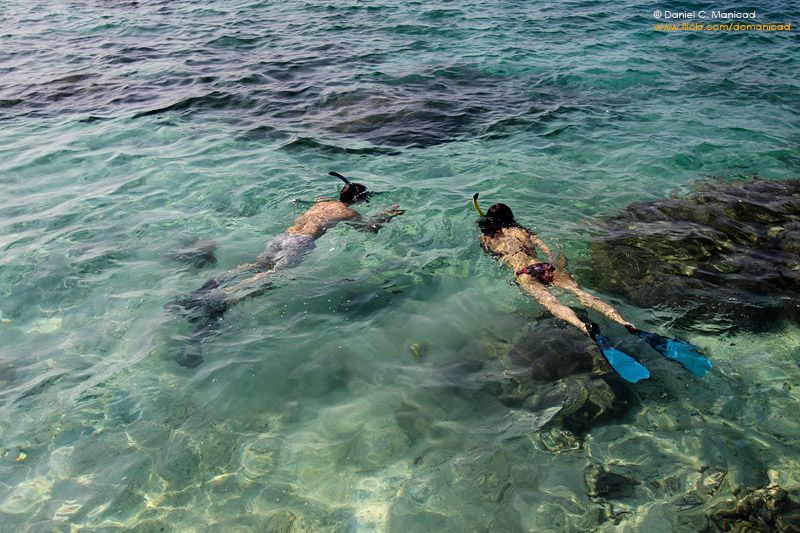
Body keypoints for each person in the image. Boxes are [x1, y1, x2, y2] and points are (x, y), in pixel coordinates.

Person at [166, 172, 404, 367]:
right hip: (300, 243)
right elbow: (369, 229)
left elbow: (325, 201)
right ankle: (222, 298)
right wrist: (386, 216)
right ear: (358, 200)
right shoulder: (349, 212)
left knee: (257, 265)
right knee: (273, 276)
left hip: (284, 235)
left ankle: (207, 289)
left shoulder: (323, 202)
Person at [472, 193, 712, 383]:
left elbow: (493, 253)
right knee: (582, 294)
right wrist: (559, 265)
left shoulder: (488, 238)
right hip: (545, 266)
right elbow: (549, 250)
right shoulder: (523, 231)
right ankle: (629, 325)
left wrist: (487, 233)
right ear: (511, 216)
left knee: (553, 303)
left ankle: (585, 328)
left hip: (525, 273)